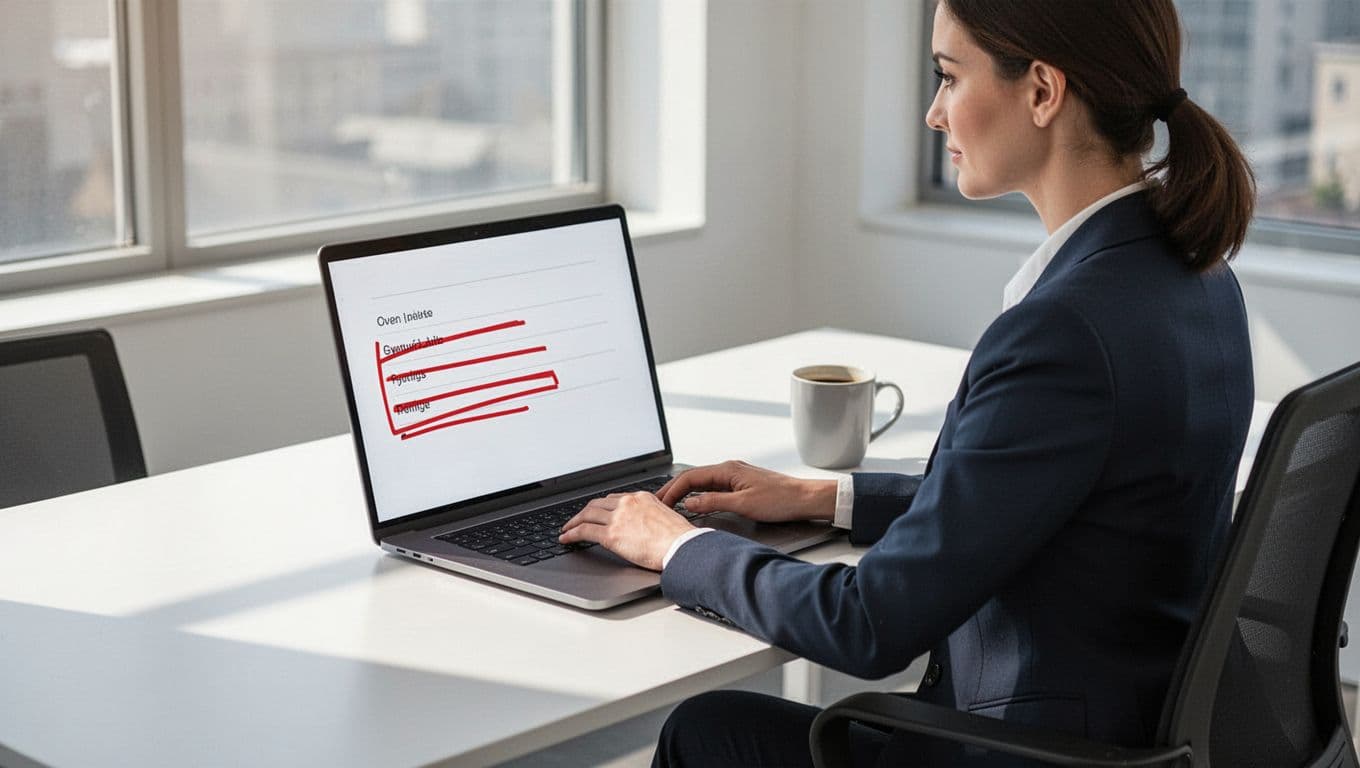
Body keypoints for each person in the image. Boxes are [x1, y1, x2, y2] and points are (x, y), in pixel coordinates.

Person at [559, 0, 1256, 764]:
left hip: (1041, 746)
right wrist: (825, 497)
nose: (933, 113)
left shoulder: (1063, 332)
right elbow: (1048, 500)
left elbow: (869, 624)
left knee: (707, 730)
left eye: (950, 78)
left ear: (1043, 92)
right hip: (1150, 719)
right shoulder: (1193, 274)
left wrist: (679, 549)